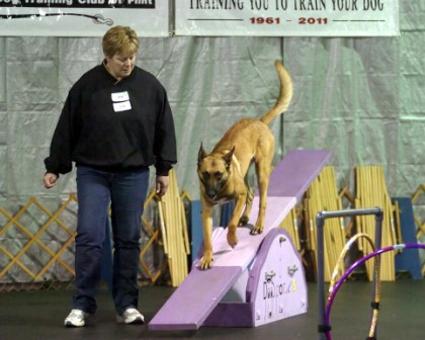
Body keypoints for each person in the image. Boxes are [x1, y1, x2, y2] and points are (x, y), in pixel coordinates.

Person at [43, 26, 177, 327]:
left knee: (128, 239)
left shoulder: (150, 87)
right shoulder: (86, 87)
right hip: (94, 172)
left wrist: (164, 169)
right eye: (121, 59)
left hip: (133, 174)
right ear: (107, 57)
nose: (128, 64)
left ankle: (127, 305)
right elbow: (67, 129)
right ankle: (82, 305)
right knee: (90, 236)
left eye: (131, 57)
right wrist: (55, 166)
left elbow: (164, 130)